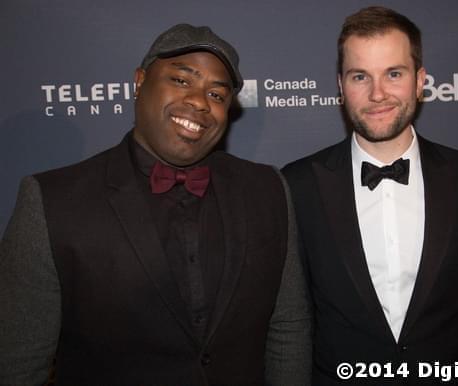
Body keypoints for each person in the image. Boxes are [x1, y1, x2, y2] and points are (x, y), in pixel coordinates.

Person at [0, 23, 311, 386]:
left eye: (217, 94)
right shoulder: (51, 200)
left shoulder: (268, 188)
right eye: (181, 80)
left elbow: (288, 327)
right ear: (139, 81)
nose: (199, 101)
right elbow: (18, 365)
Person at [283, 6, 458, 385]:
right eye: (360, 76)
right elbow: (289, 327)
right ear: (340, 85)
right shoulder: (297, 184)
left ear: (419, 81)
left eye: (393, 74)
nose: (377, 93)